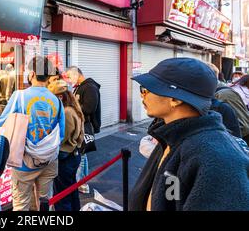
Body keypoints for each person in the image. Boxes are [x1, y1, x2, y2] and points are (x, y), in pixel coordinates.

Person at [130, 57, 249, 211]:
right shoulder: (172, 137)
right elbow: (171, 195)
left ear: (174, 99)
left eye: (147, 89)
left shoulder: (217, 159)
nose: (142, 95)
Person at [0, 56, 65, 211]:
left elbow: (2, 125)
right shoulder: (57, 101)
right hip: (49, 161)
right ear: (48, 76)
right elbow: (61, 134)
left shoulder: (19, 96)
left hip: (23, 163)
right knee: (44, 203)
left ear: (32, 74)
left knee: (21, 205)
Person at [48, 80, 84, 211]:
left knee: (62, 197)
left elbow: (64, 138)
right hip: (73, 155)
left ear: (60, 97)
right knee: (71, 190)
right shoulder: (74, 109)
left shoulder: (67, 112)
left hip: (66, 157)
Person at [66, 66, 101, 194]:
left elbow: (89, 108)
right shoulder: (81, 87)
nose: (69, 80)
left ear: (76, 74)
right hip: (81, 125)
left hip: (85, 126)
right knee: (82, 154)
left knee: (81, 154)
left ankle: (80, 183)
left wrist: (73, 107)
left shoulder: (90, 87)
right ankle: (82, 183)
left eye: (69, 77)